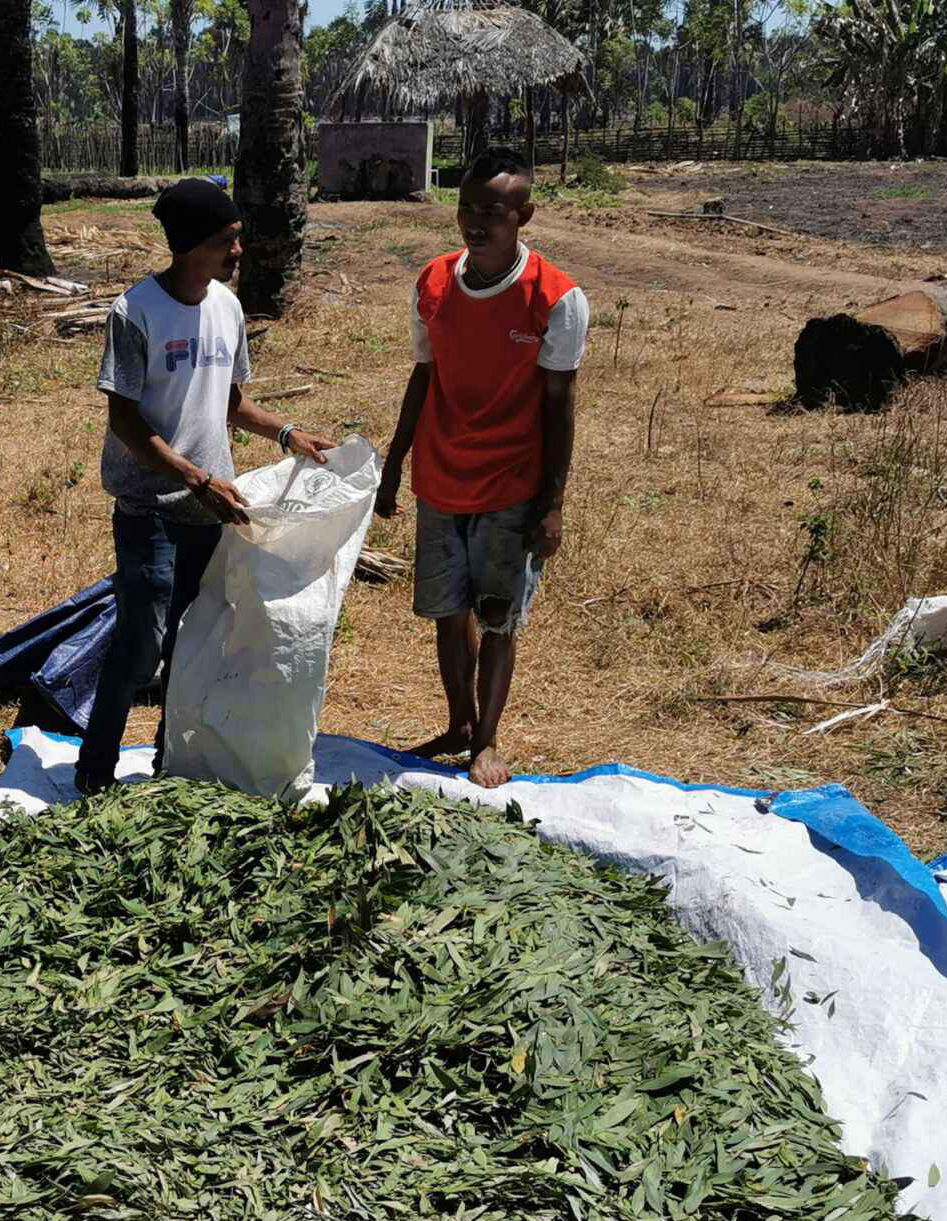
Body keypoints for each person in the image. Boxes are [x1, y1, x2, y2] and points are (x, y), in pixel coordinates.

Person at [77, 177, 336, 795]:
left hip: (211, 509)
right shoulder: (136, 312)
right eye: (227, 241)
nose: (237, 252)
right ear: (189, 244)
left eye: (237, 238)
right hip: (152, 507)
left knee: (195, 649)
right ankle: (94, 775)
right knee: (142, 648)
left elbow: (234, 402)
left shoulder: (227, 307)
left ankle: (171, 771)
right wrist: (195, 478)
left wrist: (288, 434)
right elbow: (125, 420)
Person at [376, 146, 589, 789]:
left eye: (492, 211)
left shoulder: (555, 298)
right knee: (448, 613)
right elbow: (423, 376)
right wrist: (394, 464)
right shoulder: (434, 283)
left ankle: (487, 743)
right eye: (466, 208)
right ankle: (459, 722)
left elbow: (561, 407)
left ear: (523, 214)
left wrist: (551, 504)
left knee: (497, 616)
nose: (474, 222)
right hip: (441, 479)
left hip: (510, 485)